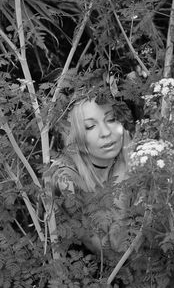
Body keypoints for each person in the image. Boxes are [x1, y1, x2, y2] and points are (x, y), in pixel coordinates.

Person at [49, 93, 132, 255]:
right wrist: (123, 172)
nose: (106, 132)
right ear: (74, 137)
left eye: (111, 119)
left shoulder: (143, 159)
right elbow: (112, 250)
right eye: (90, 126)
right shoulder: (66, 179)